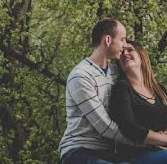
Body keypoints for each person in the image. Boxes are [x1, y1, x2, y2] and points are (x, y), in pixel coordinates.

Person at [59, 18, 152, 164]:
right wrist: (151, 141)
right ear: (108, 40)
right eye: (122, 39)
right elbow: (106, 127)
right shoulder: (81, 76)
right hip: (79, 151)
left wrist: (162, 131)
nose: (125, 45)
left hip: (108, 153)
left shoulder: (115, 71)